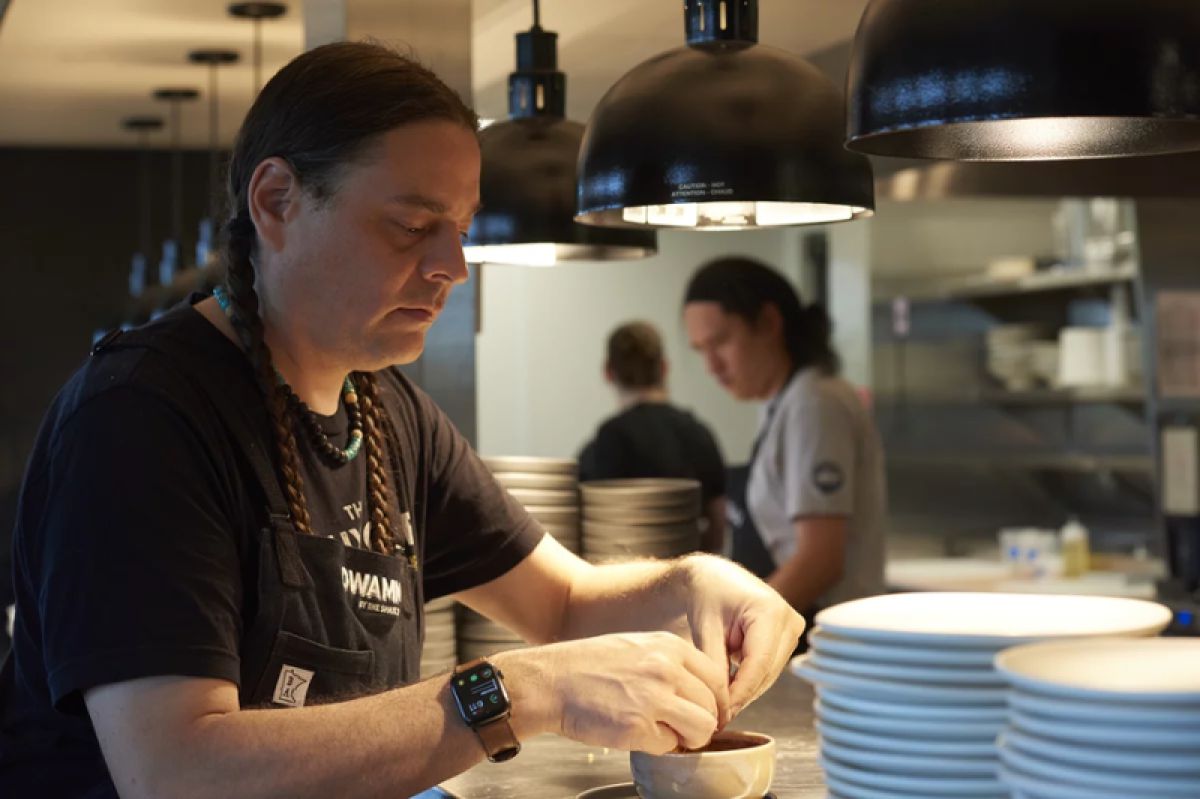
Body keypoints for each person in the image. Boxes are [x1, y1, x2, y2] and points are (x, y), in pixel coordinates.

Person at [0, 43, 803, 798]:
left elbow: (564, 602)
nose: (452, 265)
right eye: (412, 226)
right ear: (277, 202)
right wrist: (523, 690)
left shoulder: (384, 412)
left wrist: (696, 582)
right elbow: (175, 768)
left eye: (460, 228)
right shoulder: (142, 419)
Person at [682, 257, 886, 627]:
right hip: (803, 624)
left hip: (827, 633)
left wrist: (737, 631)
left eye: (721, 342)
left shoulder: (815, 404)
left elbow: (819, 561)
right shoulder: (782, 403)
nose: (712, 365)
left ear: (770, 323)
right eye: (701, 350)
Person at [578, 321, 727, 553]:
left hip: (626, 581)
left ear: (608, 371)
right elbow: (718, 521)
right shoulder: (698, 433)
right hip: (688, 578)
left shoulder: (608, 439)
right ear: (665, 367)